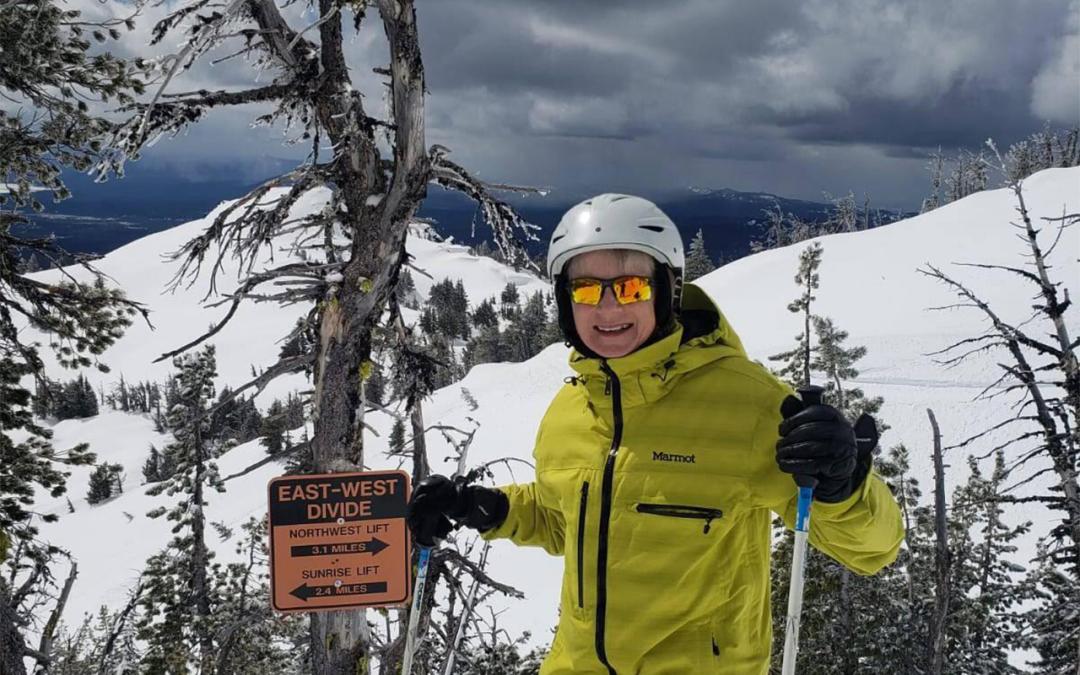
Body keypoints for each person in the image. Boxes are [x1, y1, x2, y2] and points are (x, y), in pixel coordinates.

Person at [406, 194, 904, 674]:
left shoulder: (748, 405)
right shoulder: (570, 410)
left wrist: (844, 488)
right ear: (564, 301)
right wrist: (481, 507)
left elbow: (873, 549)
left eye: (630, 288)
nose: (606, 309)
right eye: (585, 289)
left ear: (665, 290)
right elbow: (567, 523)